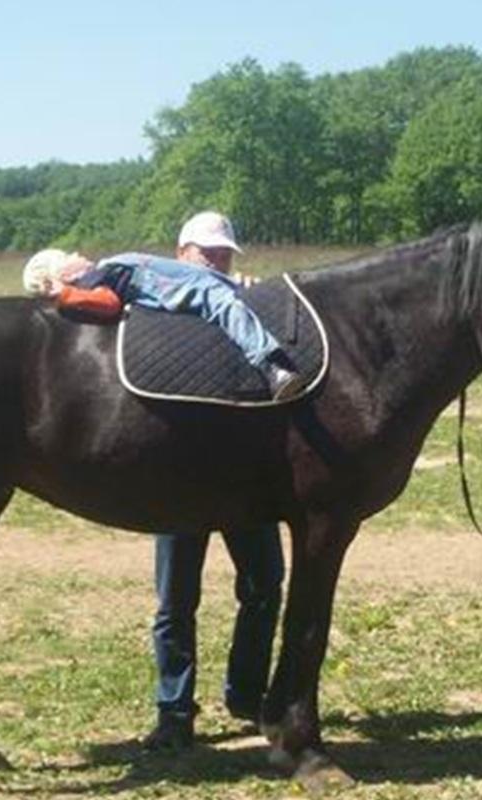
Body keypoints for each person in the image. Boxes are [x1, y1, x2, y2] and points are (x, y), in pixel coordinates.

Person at [142, 211, 286, 751]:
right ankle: (174, 712)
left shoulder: (246, 304)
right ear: (181, 253)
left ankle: (247, 696)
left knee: (265, 585)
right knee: (175, 602)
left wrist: (250, 297)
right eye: (208, 253)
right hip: (178, 475)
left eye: (225, 253)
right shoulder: (153, 301)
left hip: (243, 478)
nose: (218, 261)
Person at [22, 216, 303, 401]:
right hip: (177, 286)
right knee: (221, 301)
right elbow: (108, 303)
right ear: (63, 276)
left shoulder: (105, 267)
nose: (77, 254)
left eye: (224, 254)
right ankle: (272, 366)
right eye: (68, 258)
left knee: (230, 293)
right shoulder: (97, 276)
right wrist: (65, 294)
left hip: (181, 280)